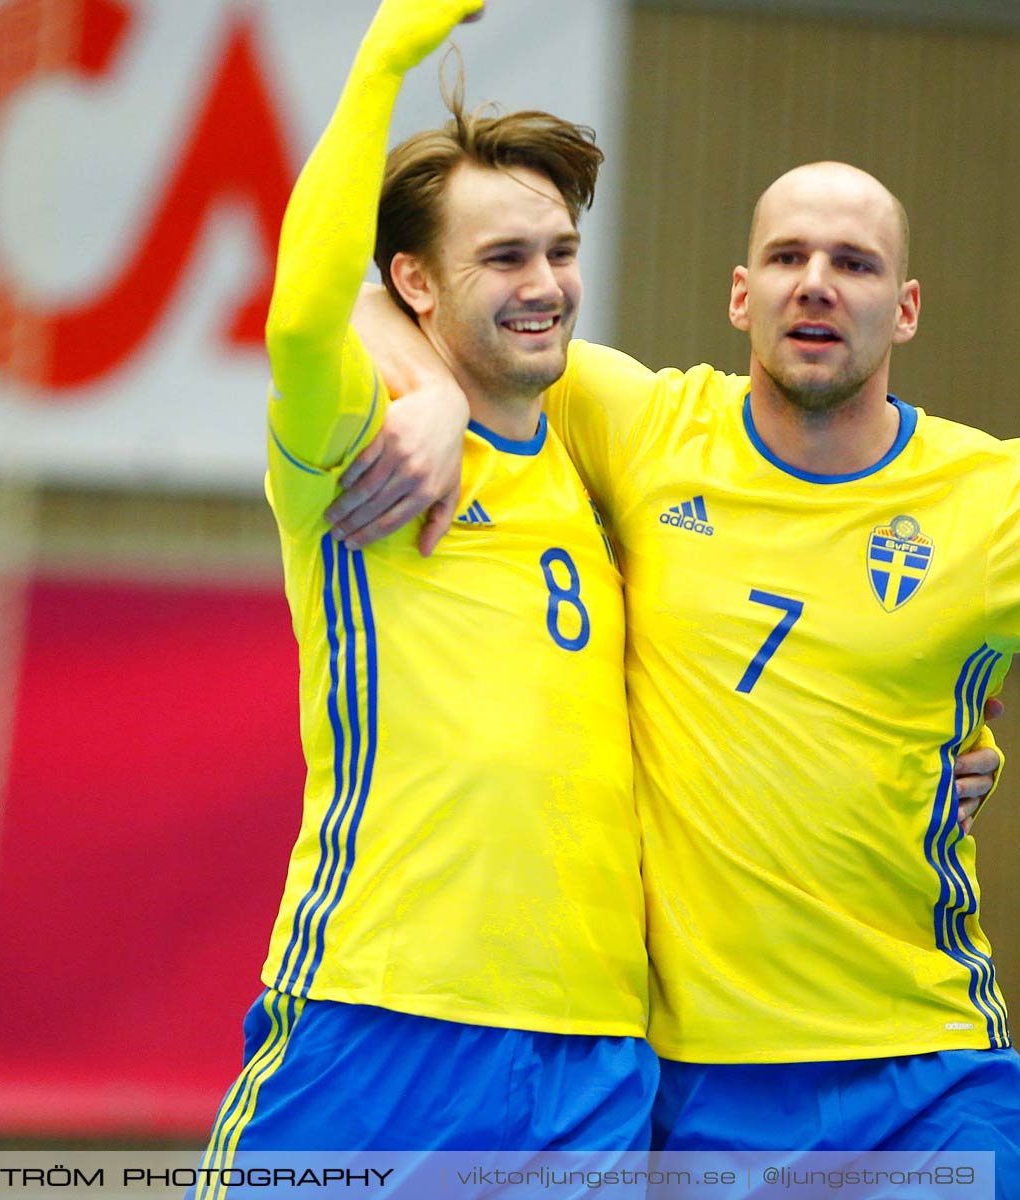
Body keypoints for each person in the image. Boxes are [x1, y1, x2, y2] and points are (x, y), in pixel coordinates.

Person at [346, 158, 1020, 1199]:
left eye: (855, 262)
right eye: (789, 256)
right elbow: (376, 297)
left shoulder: (997, 507)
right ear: (741, 292)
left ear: (908, 307)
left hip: (925, 1082)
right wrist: (431, 394)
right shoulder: (643, 428)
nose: (817, 282)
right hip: (700, 1103)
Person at [195, 0, 655, 1181]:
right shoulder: (366, 440)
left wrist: (938, 744)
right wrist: (384, 57)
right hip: (380, 1009)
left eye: (559, 252)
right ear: (413, 280)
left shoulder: (609, 465)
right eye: (502, 258)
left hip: (596, 1047)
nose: (545, 283)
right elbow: (301, 314)